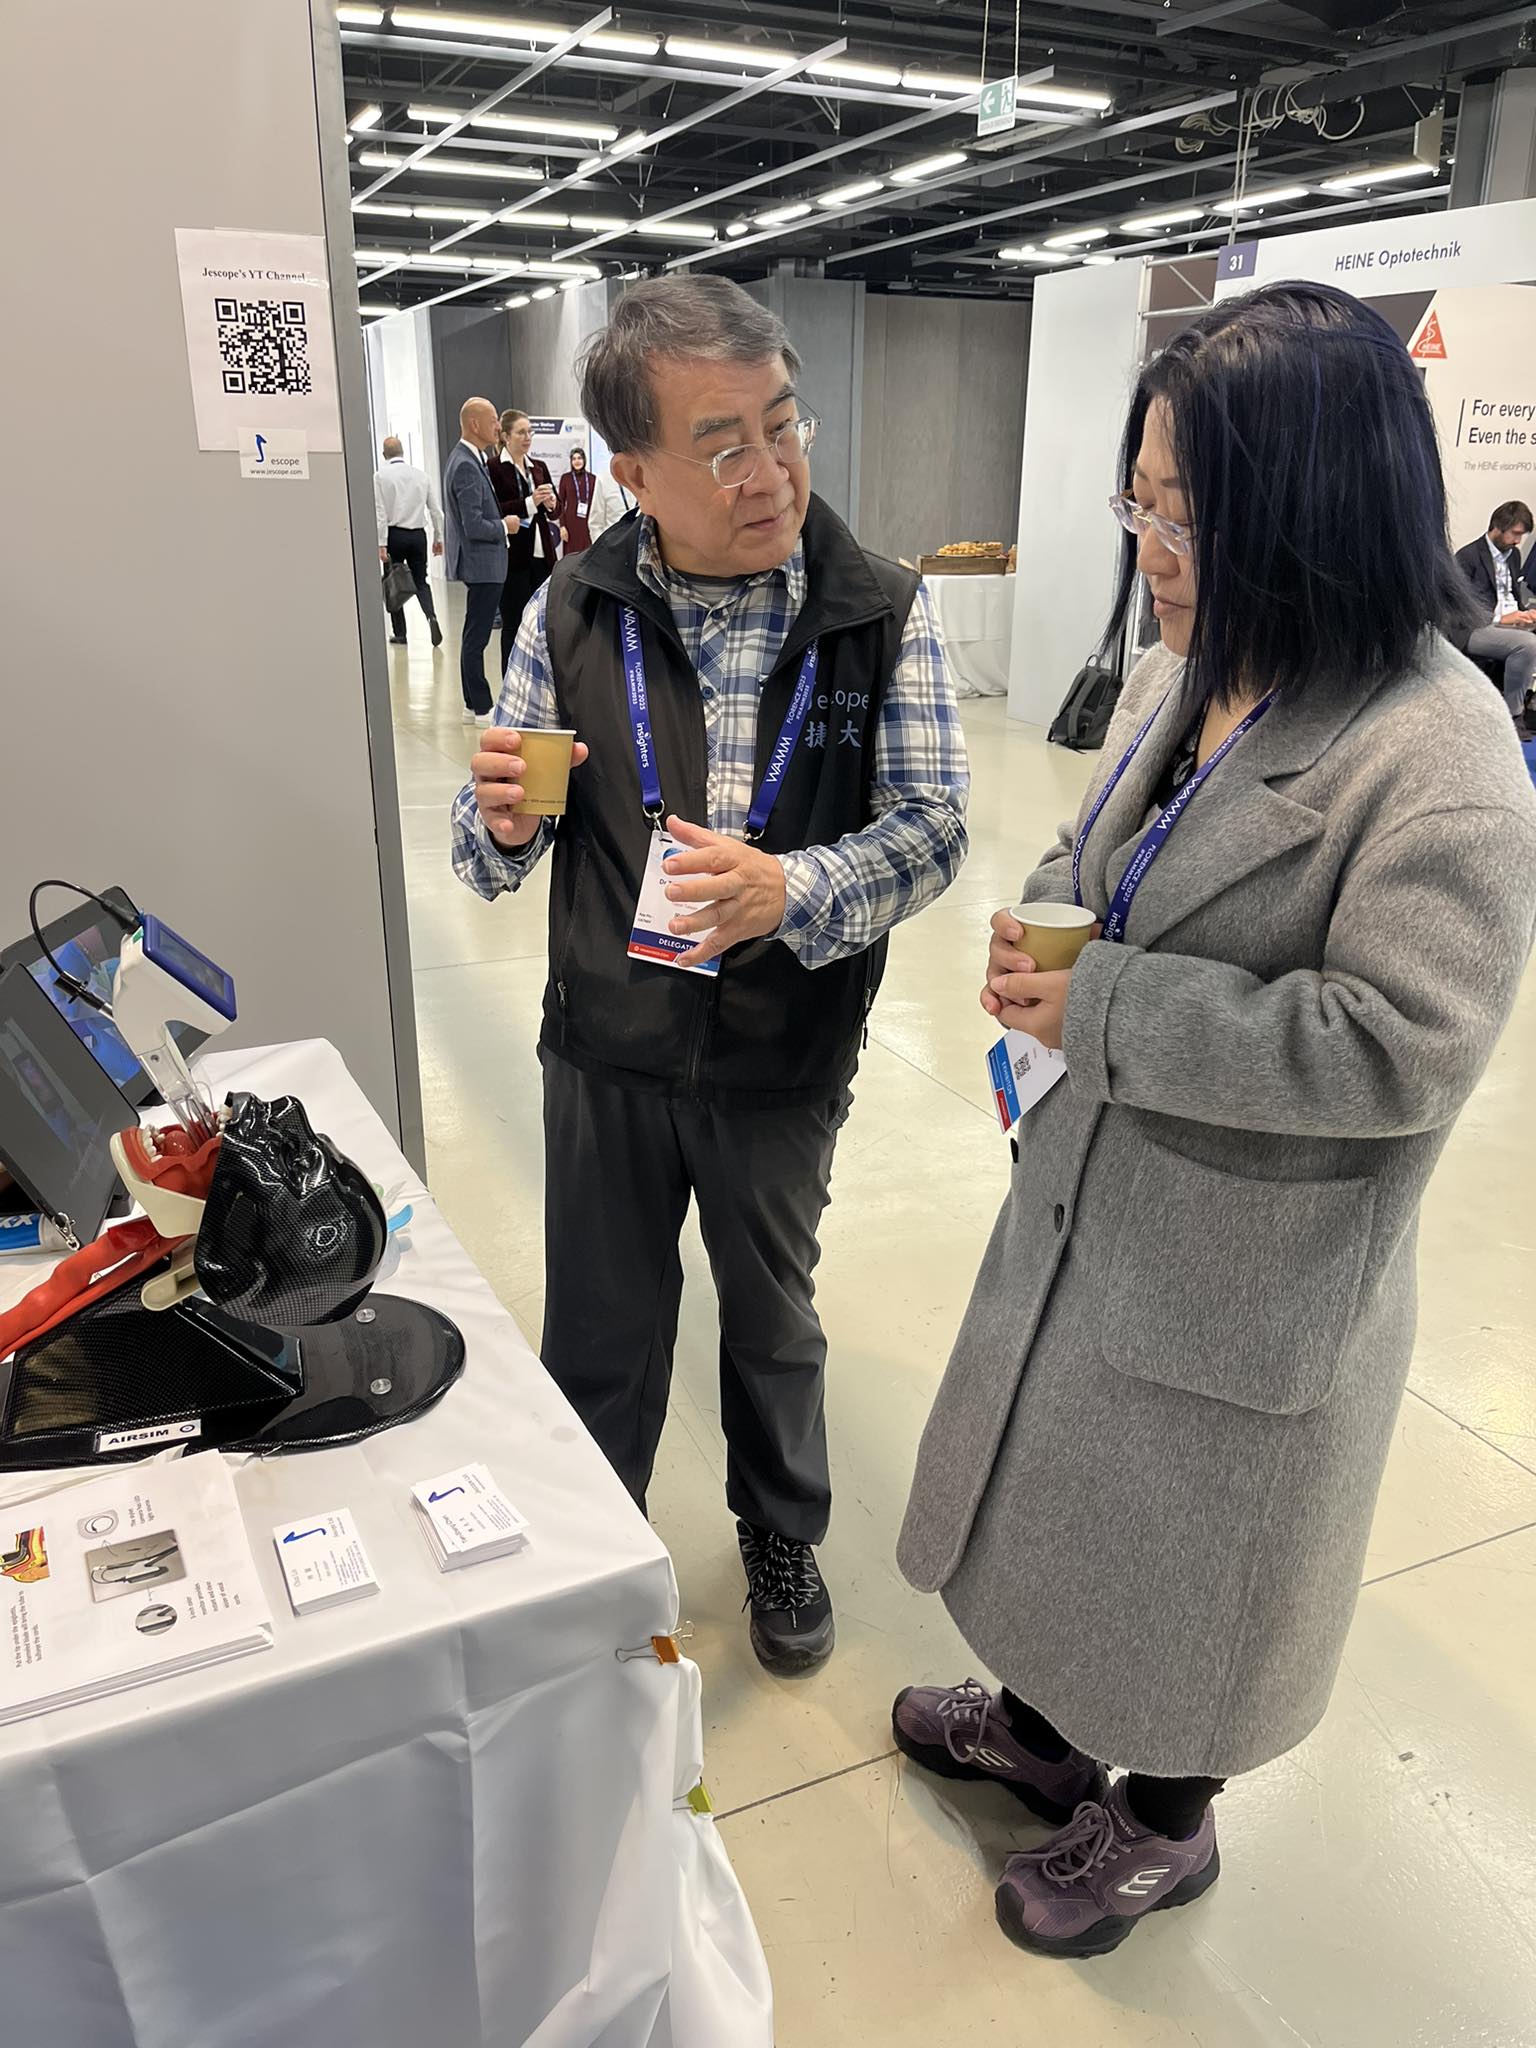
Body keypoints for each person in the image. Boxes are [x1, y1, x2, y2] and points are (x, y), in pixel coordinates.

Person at [894, 282, 1536, 1961]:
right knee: (1071, 1499)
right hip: (1105, 1192)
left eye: (1187, 515)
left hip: (1256, 1262)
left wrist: (1103, 1008)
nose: (1153, 550)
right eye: (1142, 506)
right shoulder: (1201, 670)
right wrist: (1049, 926)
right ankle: (1045, 1732)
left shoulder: (1440, 753)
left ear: (1312, 511)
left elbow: (1401, 1046)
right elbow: (1098, 846)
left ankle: (1167, 1824)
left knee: (1193, 1561)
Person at [450, 277, 969, 1676]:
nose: (771, 470)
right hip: (607, 1042)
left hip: (783, 1047)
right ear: (634, 473)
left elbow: (934, 826)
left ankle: (780, 1527)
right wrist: (503, 822)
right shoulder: (573, 610)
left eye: (783, 425)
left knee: (773, 1316)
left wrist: (794, 889)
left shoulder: (879, 610)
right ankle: (594, 1545)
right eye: (724, 444)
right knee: (601, 1321)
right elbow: (486, 848)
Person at [443, 397, 518, 728]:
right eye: (493, 420)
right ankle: (482, 706)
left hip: (483, 564)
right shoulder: (465, 465)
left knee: (473, 634)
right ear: (474, 424)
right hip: (483, 564)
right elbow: (473, 525)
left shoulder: (468, 459)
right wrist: (504, 526)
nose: (498, 427)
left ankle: (472, 703)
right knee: (477, 638)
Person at [487, 409, 560, 683]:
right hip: (513, 557)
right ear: (506, 436)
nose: (527, 437)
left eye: (530, 432)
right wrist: (530, 502)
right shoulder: (494, 468)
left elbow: (554, 511)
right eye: (521, 432)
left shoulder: (538, 466)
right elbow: (496, 508)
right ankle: (511, 683)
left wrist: (552, 504)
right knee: (513, 624)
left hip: (543, 555)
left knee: (542, 624)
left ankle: (540, 683)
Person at [1453, 500, 1536, 734]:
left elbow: (1512, 595)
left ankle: (1528, 702)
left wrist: (1525, 613)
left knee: (1528, 638)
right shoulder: (1467, 557)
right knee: (1528, 645)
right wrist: (1502, 619)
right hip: (1473, 628)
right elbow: (1460, 608)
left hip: (1509, 623)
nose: (1518, 541)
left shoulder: (1513, 555)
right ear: (1498, 527)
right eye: (1515, 534)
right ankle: (1512, 716)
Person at [373, 435, 444, 648]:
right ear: (402, 452)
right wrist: (438, 537)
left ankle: (400, 633)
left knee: (393, 582)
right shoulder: (421, 476)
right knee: (421, 581)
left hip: (394, 535)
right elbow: (436, 511)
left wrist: (381, 543)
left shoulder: (380, 476)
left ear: (384, 454)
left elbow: (380, 513)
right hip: (418, 535)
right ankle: (431, 617)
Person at [555, 445, 597, 553]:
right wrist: (562, 526)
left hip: (588, 523)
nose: (577, 461)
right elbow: (560, 503)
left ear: (584, 460)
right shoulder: (566, 478)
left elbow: (597, 503)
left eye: (579, 458)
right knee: (571, 556)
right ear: (571, 461)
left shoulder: (592, 479)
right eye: (574, 459)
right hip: (570, 524)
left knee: (587, 555)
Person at [584, 462, 635, 540]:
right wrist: (603, 547)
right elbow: (595, 524)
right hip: (613, 543)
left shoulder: (648, 476)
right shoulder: (604, 479)